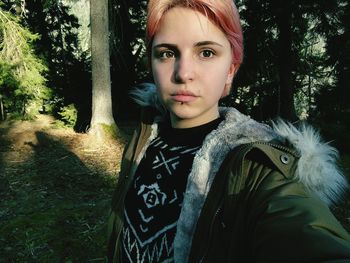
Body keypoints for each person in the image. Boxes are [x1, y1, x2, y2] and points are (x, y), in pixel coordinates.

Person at [107, 0, 350, 262]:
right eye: (166, 53)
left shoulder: (257, 168)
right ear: (151, 62)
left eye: (207, 52)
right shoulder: (144, 136)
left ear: (230, 71)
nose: (183, 73)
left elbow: (306, 236)